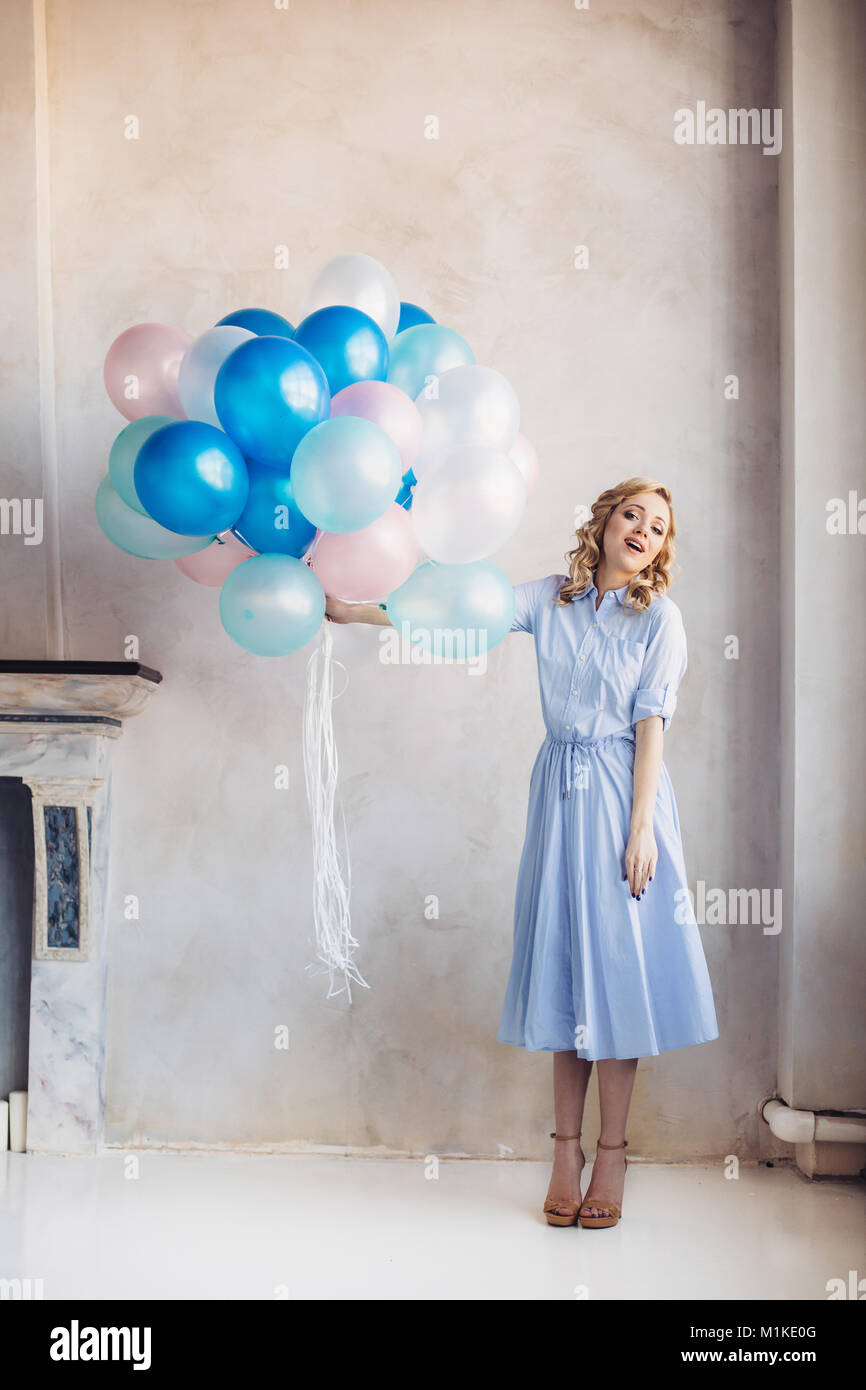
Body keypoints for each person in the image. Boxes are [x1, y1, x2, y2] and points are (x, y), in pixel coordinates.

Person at [324, 476, 718, 1230]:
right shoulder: (552, 600)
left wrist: (641, 828)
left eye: (658, 526)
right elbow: (452, 618)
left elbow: (652, 726)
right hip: (558, 794)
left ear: (663, 548)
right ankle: (562, 1151)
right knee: (567, 968)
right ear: (603, 522)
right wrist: (351, 610)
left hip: (619, 795)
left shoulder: (659, 620)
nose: (642, 530)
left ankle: (611, 1153)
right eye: (631, 514)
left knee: (616, 975)